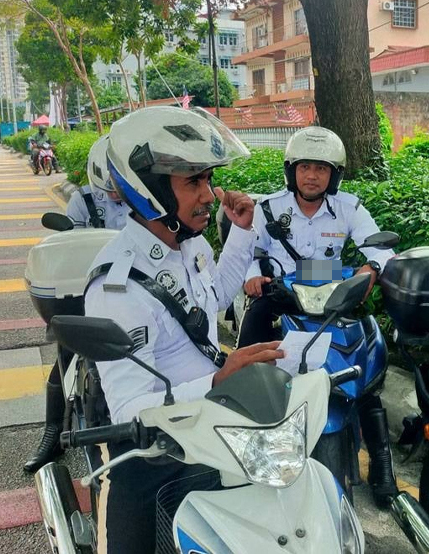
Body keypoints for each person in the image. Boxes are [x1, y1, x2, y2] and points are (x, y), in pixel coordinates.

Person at [84, 106, 283, 554]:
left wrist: (241, 232)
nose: (209, 195)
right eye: (193, 182)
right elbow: (129, 411)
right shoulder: (117, 287)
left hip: (211, 430)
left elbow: (212, 304)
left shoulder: (187, 245)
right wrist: (216, 380)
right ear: (150, 189)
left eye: (209, 179)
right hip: (155, 454)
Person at [237, 126, 399, 507]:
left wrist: (370, 270)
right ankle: (244, 436)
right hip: (281, 299)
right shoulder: (269, 208)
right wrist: (253, 277)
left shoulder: (349, 208)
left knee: (366, 366)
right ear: (291, 170)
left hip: (331, 301)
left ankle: (382, 461)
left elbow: (380, 249)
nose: (312, 176)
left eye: (321, 169)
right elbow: (248, 252)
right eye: (305, 167)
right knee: (247, 362)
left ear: (334, 175)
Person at [23, 135, 130, 473]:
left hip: (133, 292)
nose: (116, 193)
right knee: (65, 353)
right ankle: (52, 433)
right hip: (87, 289)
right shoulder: (82, 201)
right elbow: (71, 246)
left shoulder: (146, 200)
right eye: (110, 186)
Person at [65, 135, 130, 229]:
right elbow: (72, 234)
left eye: (119, 190)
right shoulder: (83, 199)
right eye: (108, 190)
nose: (114, 195)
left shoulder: (145, 200)